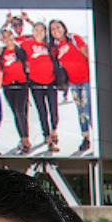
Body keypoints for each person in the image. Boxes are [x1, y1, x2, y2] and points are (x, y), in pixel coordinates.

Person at [48, 18, 93, 156]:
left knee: (89, 109)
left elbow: (89, 56)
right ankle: (86, 138)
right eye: (53, 29)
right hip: (73, 82)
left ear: (64, 27)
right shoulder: (55, 47)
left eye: (58, 27)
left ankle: (98, 138)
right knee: (80, 111)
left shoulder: (74, 38)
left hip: (87, 80)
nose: (56, 31)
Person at [22, 20, 61, 155]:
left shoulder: (50, 45)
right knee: (42, 111)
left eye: (41, 30)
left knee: (53, 110)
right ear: (32, 32)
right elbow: (7, 41)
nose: (39, 33)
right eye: (36, 30)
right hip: (35, 83)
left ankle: (54, 131)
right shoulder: (27, 44)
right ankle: (48, 138)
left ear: (45, 33)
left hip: (50, 82)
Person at [0, 29, 33, 156]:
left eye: (9, 36)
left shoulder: (20, 50)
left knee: (20, 111)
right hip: (8, 86)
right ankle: (23, 138)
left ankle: (26, 141)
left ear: (13, 36)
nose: (7, 39)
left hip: (21, 84)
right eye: (4, 37)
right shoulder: (1, 52)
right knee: (16, 114)